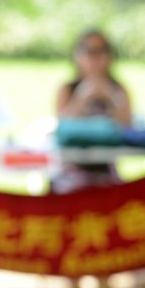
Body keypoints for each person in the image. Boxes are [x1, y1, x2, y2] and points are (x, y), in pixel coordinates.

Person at [52, 28, 133, 194]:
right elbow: (61, 128)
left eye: (102, 51)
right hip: (71, 170)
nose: (96, 59)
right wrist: (82, 98)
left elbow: (128, 128)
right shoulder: (68, 89)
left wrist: (109, 99)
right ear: (77, 56)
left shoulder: (118, 89)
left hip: (106, 170)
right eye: (89, 52)